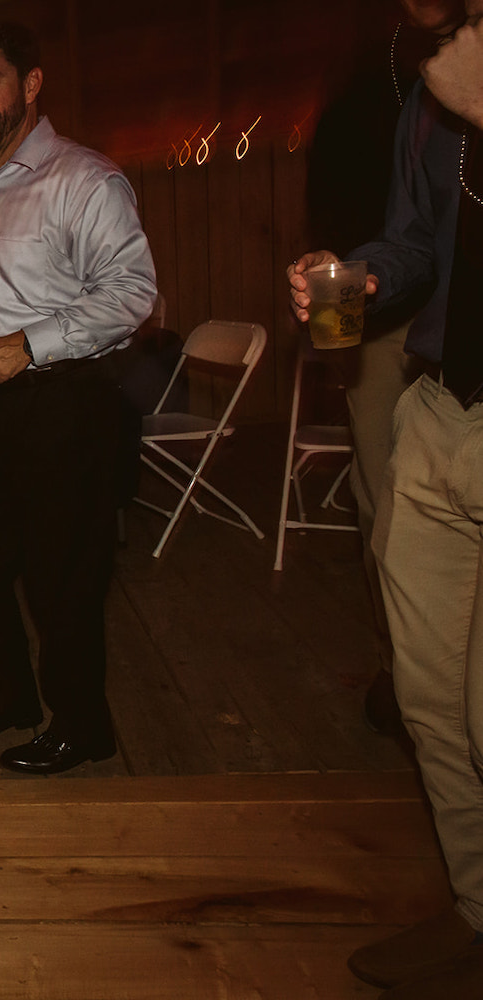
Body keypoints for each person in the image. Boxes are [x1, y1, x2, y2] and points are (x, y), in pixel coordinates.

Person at [289, 9, 483, 997]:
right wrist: (360, 275)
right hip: (441, 409)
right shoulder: (428, 86)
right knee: (430, 697)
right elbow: (416, 245)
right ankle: (477, 908)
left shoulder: (464, 84)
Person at [0, 23, 157, 774]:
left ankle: (83, 727)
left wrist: (33, 344)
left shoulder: (86, 180)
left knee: (62, 581)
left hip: (71, 403)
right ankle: (9, 700)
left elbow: (133, 295)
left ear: (31, 84)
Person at [306, 0, 463, 737]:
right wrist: (357, 274)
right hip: (394, 333)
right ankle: (401, 672)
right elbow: (411, 236)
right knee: (387, 513)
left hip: (451, 347)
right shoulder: (395, 95)